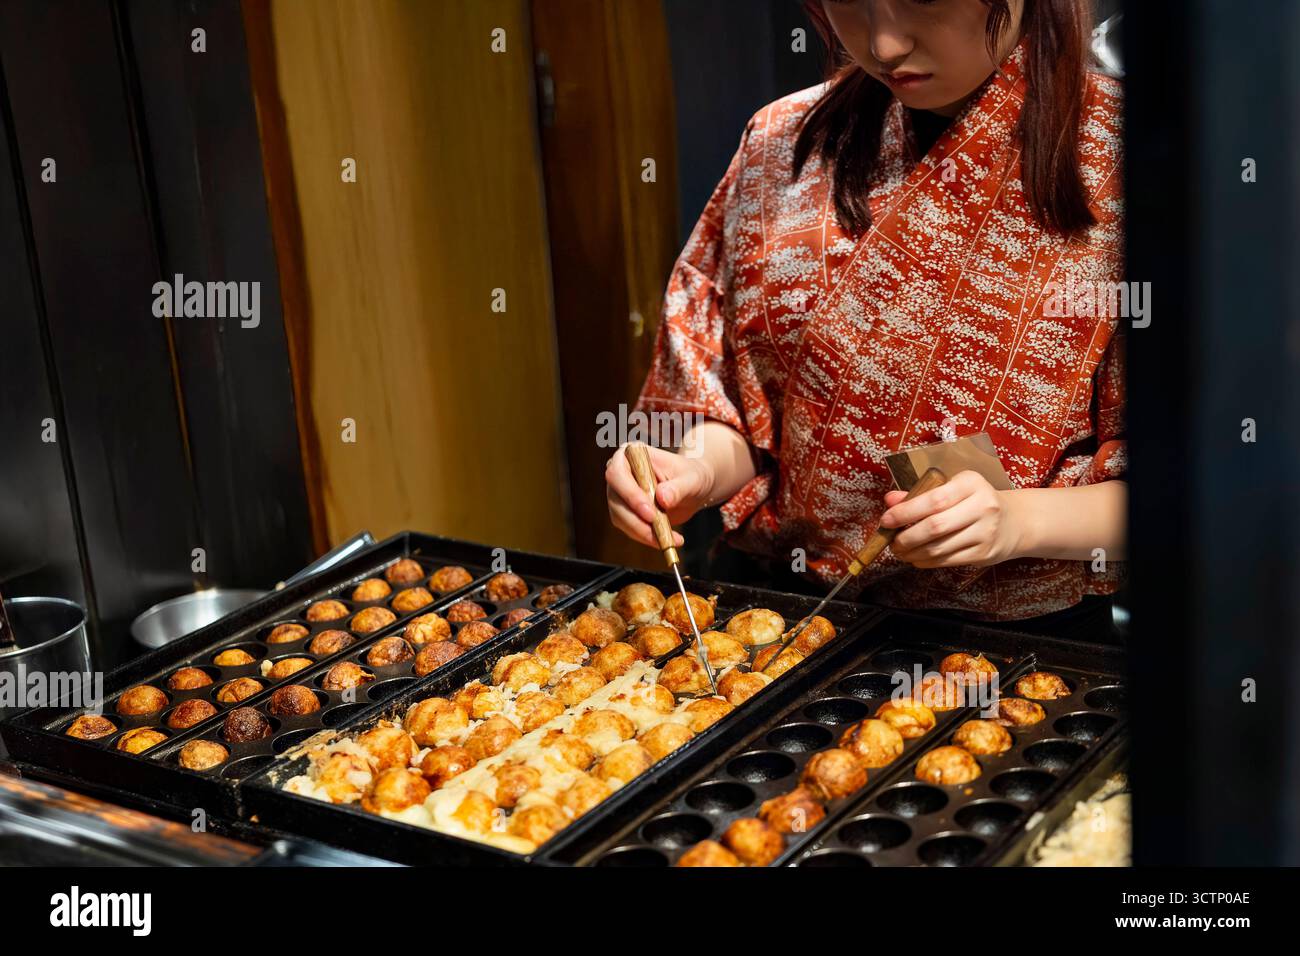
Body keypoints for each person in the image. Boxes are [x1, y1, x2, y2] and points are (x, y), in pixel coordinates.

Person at [605, 0, 1126, 641]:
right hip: (781, 619)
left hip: (1020, 645)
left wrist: (1016, 521)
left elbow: (1210, 489)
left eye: (922, 3)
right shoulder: (781, 144)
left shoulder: (1129, 162)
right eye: (848, 5)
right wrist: (695, 472)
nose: (882, 44)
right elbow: (740, 415)